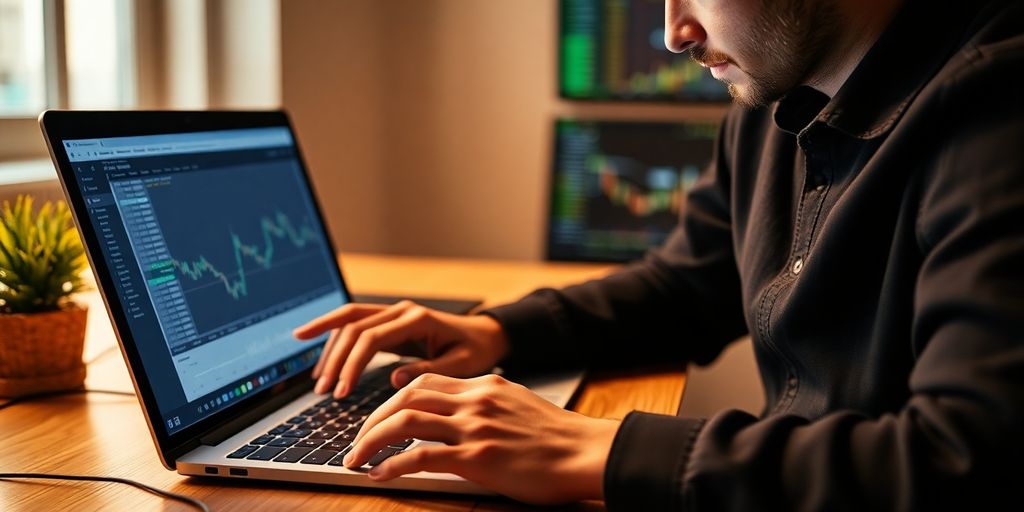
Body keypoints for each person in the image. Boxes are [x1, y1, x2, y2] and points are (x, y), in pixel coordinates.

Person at [293, 0, 1024, 509]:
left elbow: (965, 464)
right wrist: (498, 332)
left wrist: (602, 452)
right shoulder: (777, 95)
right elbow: (692, 282)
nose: (674, 33)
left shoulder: (997, 109)